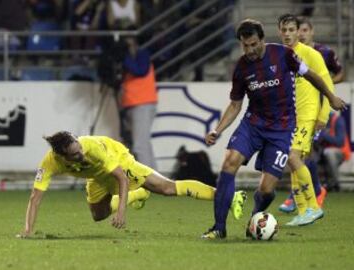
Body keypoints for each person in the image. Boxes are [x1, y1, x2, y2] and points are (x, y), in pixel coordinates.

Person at [201, 19, 345, 239]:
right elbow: (235, 104)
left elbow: (312, 75)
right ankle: (219, 227)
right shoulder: (241, 67)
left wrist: (331, 97)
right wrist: (218, 130)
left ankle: (255, 218)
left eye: (253, 44)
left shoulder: (283, 55)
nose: (249, 50)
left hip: (281, 130)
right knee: (229, 162)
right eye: (244, 45)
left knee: (267, 190)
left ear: (262, 40)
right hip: (253, 125)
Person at [17, 131, 247, 238]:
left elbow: (121, 177)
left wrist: (122, 213)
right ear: (63, 157)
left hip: (120, 162)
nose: (81, 154)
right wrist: (27, 231)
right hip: (96, 177)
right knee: (98, 215)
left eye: (79, 148)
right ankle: (138, 196)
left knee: (166, 188)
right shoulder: (49, 164)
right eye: (75, 155)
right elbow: (35, 198)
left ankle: (228, 196)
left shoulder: (93, 149)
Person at [279, 16, 344, 212]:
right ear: (279, 31)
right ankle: (301, 209)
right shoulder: (283, 54)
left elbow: (328, 84)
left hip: (309, 116)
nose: (288, 34)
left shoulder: (312, 54)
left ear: (299, 31)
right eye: (285, 30)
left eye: (292, 30)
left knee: (294, 157)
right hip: (292, 118)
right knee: (296, 161)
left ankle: (313, 205)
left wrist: (323, 117)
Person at [120, 34, 157, 169]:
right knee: (143, 144)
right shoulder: (129, 59)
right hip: (133, 104)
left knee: (140, 146)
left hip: (142, 103)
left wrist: (124, 58)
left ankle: (149, 180)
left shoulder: (142, 54)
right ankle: (157, 177)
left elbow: (141, 71)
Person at [298, 16, 344, 83]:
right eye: (298, 31)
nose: (301, 34)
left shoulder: (326, 52)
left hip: (320, 93)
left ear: (312, 31)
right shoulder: (290, 53)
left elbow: (340, 74)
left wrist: (326, 84)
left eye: (305, 30)